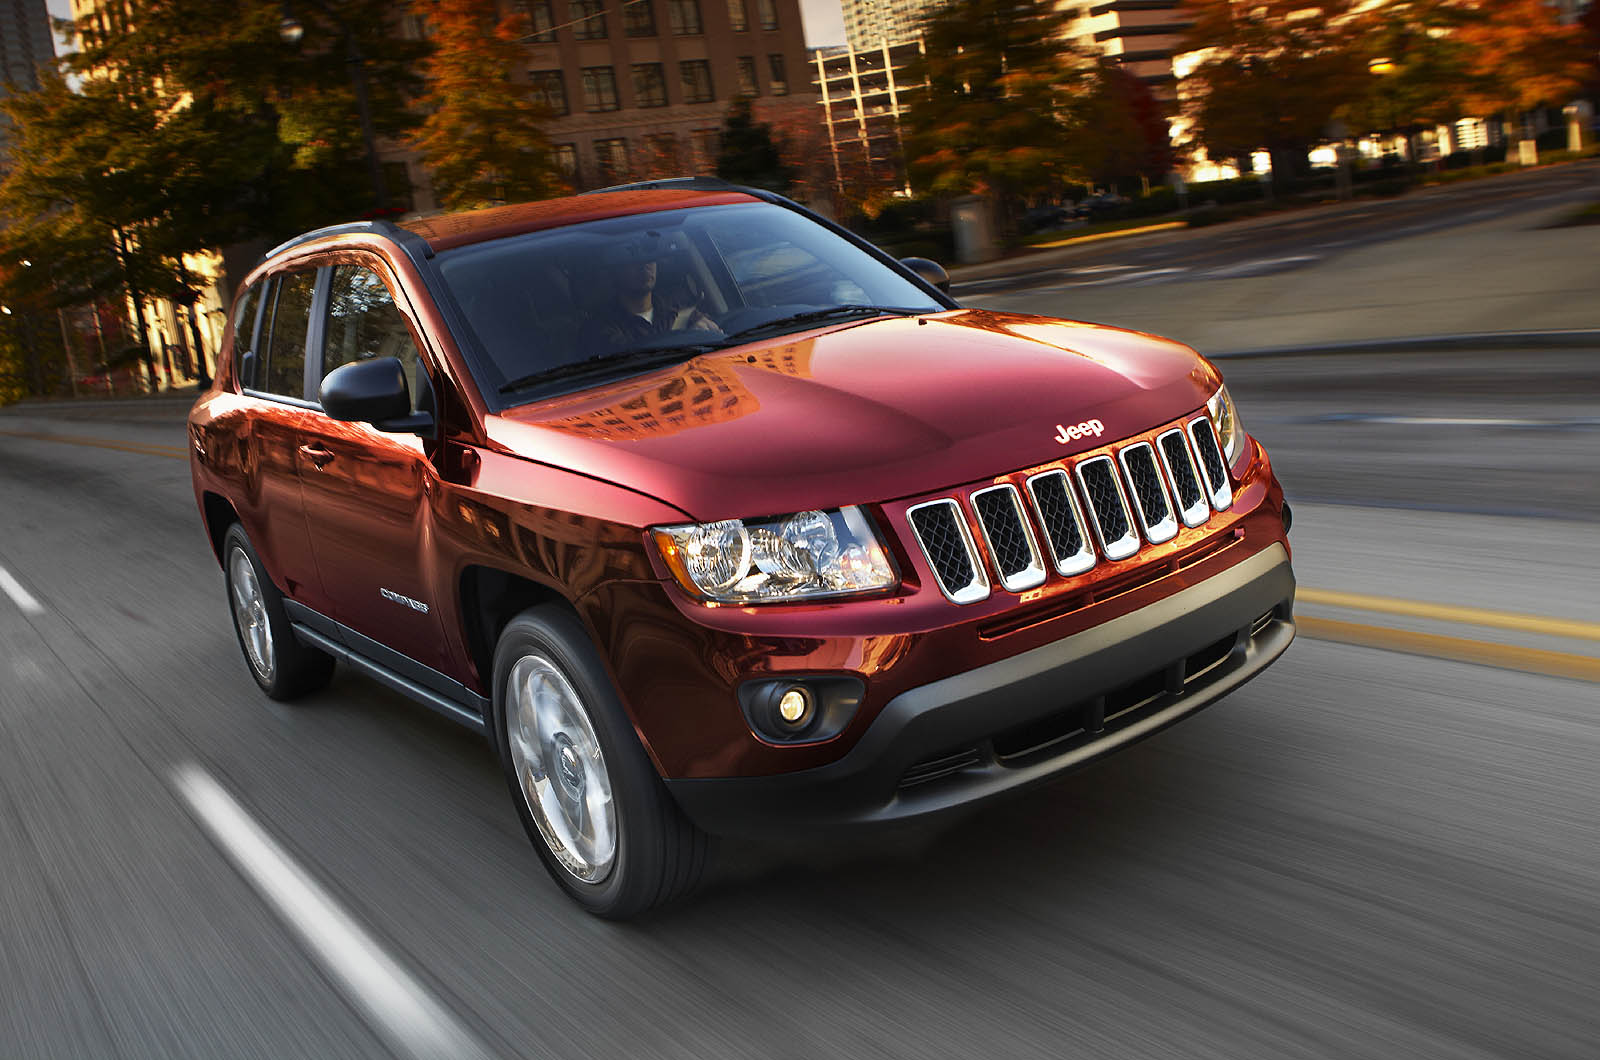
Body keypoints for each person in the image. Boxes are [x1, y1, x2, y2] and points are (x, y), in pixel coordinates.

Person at [580, 256, 722, 353]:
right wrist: (687, 337)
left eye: (649, 256)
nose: (645, 265)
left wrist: (702, 330)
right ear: (615, 271)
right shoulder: (599, 327)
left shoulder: (677, 309)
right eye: (633, 259)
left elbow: (715, 335)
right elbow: (627, 360)